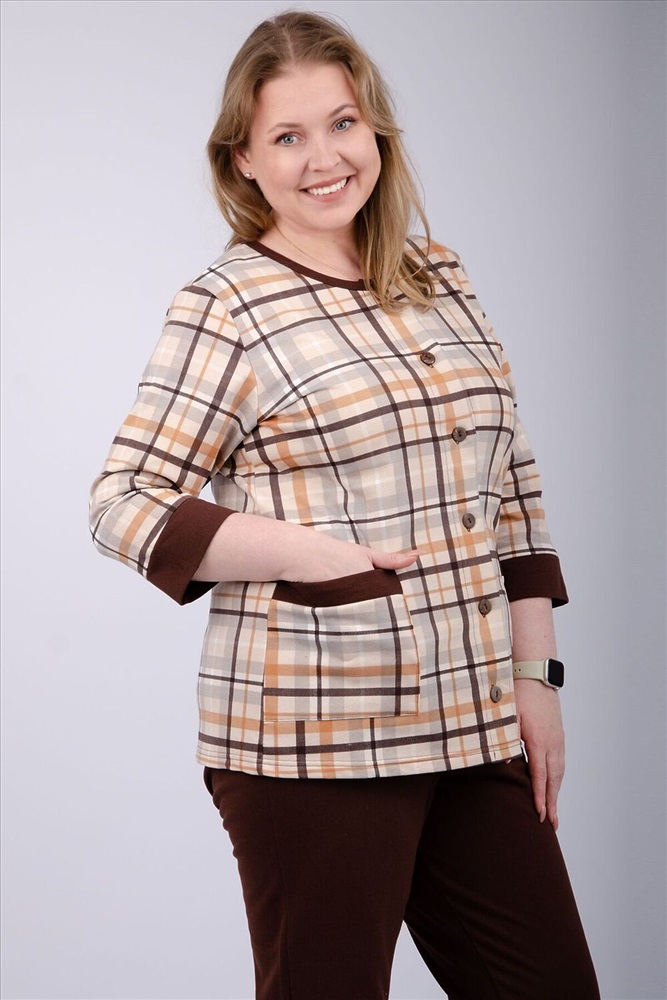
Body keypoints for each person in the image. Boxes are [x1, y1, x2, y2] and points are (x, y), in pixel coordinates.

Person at [89, 10, 600, 999]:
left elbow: (512, 482)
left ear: (375, 130)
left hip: (473, 721)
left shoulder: (437, 273)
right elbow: (122, 501)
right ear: (243, 160)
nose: (323, 159)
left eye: (341, 124)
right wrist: (303, 552)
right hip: (312, 742)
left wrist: (536, 677)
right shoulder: (227, 304)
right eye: (287, 136)